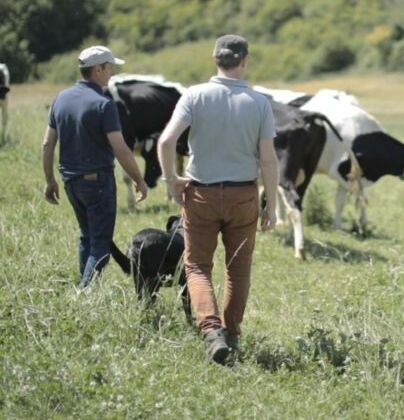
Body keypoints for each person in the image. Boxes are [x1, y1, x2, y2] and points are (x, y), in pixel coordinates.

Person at [158, 34, 278, 364]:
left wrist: (171, 182)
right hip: (243, 196)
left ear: (215, 60)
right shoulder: (259, 103)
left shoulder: (194, 96)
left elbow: (167, 142)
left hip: (200, 194)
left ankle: (211, 333)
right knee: (238, 270)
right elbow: (268, 160)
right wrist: (273, 206)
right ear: (244, 61)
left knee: (197, 267)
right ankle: (233, 336)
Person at [42, 45, 149, 287]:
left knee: (86, 236)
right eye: (110, 67)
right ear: (98, 69)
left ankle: (84, 286)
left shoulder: (60, 98)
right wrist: (139, 180)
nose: (112, 72)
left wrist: (50, 181)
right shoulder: (104, 104)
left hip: (70, 181)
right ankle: (84, 293)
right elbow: (121, 149)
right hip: (97, 182)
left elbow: (47, 144)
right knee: (100, 244)